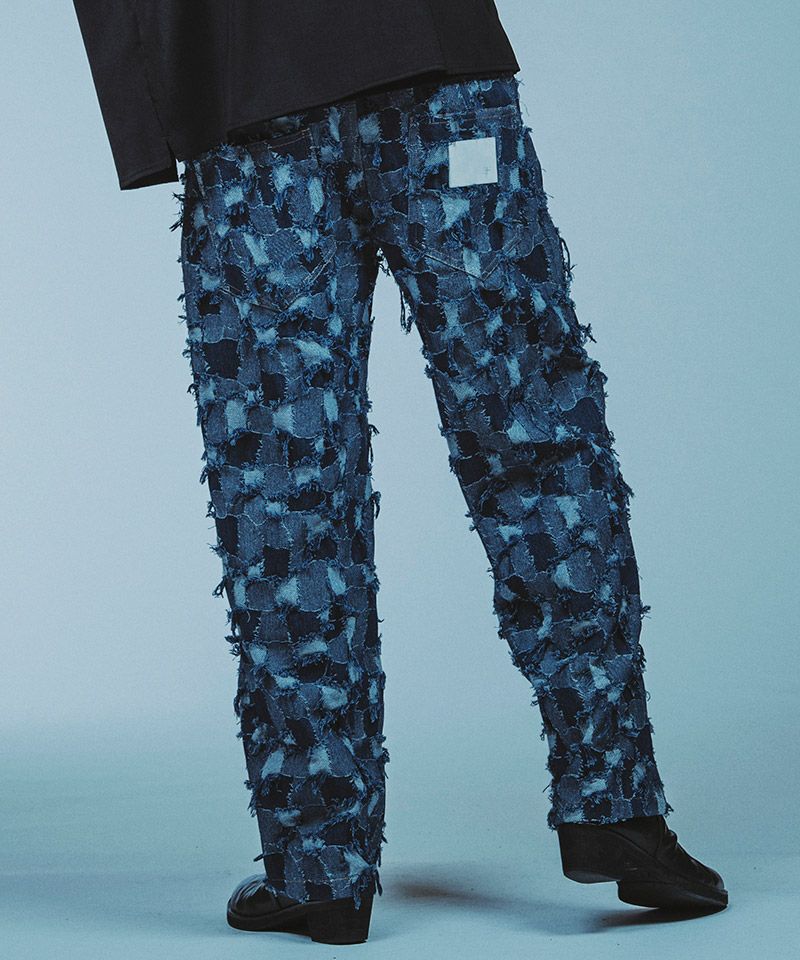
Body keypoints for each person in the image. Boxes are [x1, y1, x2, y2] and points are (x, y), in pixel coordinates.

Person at [72, 0, 728, 945]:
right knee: (537, 442)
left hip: (247, 100)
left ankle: (320, 867)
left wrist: (151, 117)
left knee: (285, 487)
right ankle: (617, 810)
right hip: (434, 69)